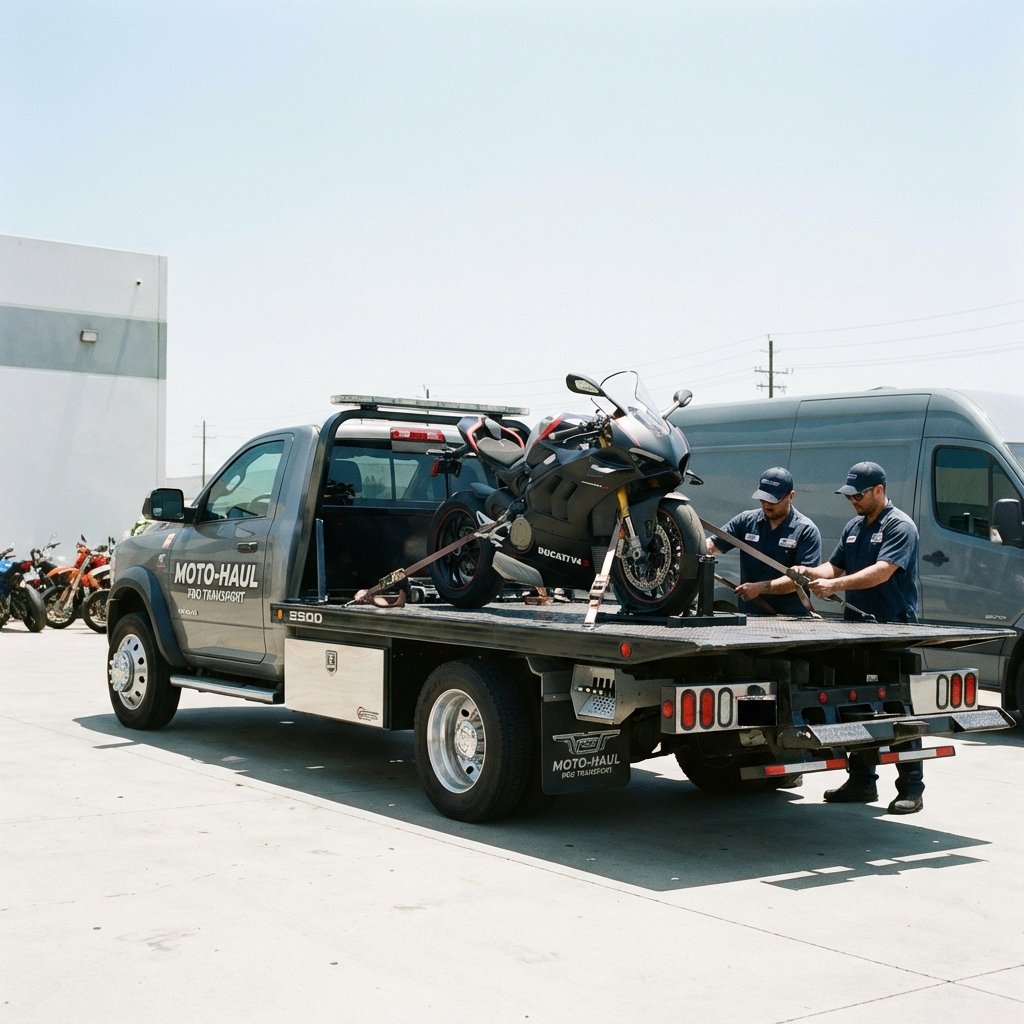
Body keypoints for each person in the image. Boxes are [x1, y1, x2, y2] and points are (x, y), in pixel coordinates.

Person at [801, 461, 925, 814]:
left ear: (879, 491)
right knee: (855, 706)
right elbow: (834, 566)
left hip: (891, 629)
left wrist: (835, 585)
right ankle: (861, 780)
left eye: (858, 495)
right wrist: (811, 573)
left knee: (896, 709)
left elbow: (882, 572)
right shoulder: (854, 527)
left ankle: (911, 788)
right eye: (849, 495)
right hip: (856, 629)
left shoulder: (900, 526)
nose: (852, 500)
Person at [706, 467, 822, 617]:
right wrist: (694, 544)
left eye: (773, 500)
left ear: (791, 496)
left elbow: (802, 580)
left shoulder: (806, 530)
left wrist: (761, 588)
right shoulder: (745, 521)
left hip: (792, 620)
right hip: (750, 616)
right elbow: (712, 544)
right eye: (763, 499)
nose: (766, 505)